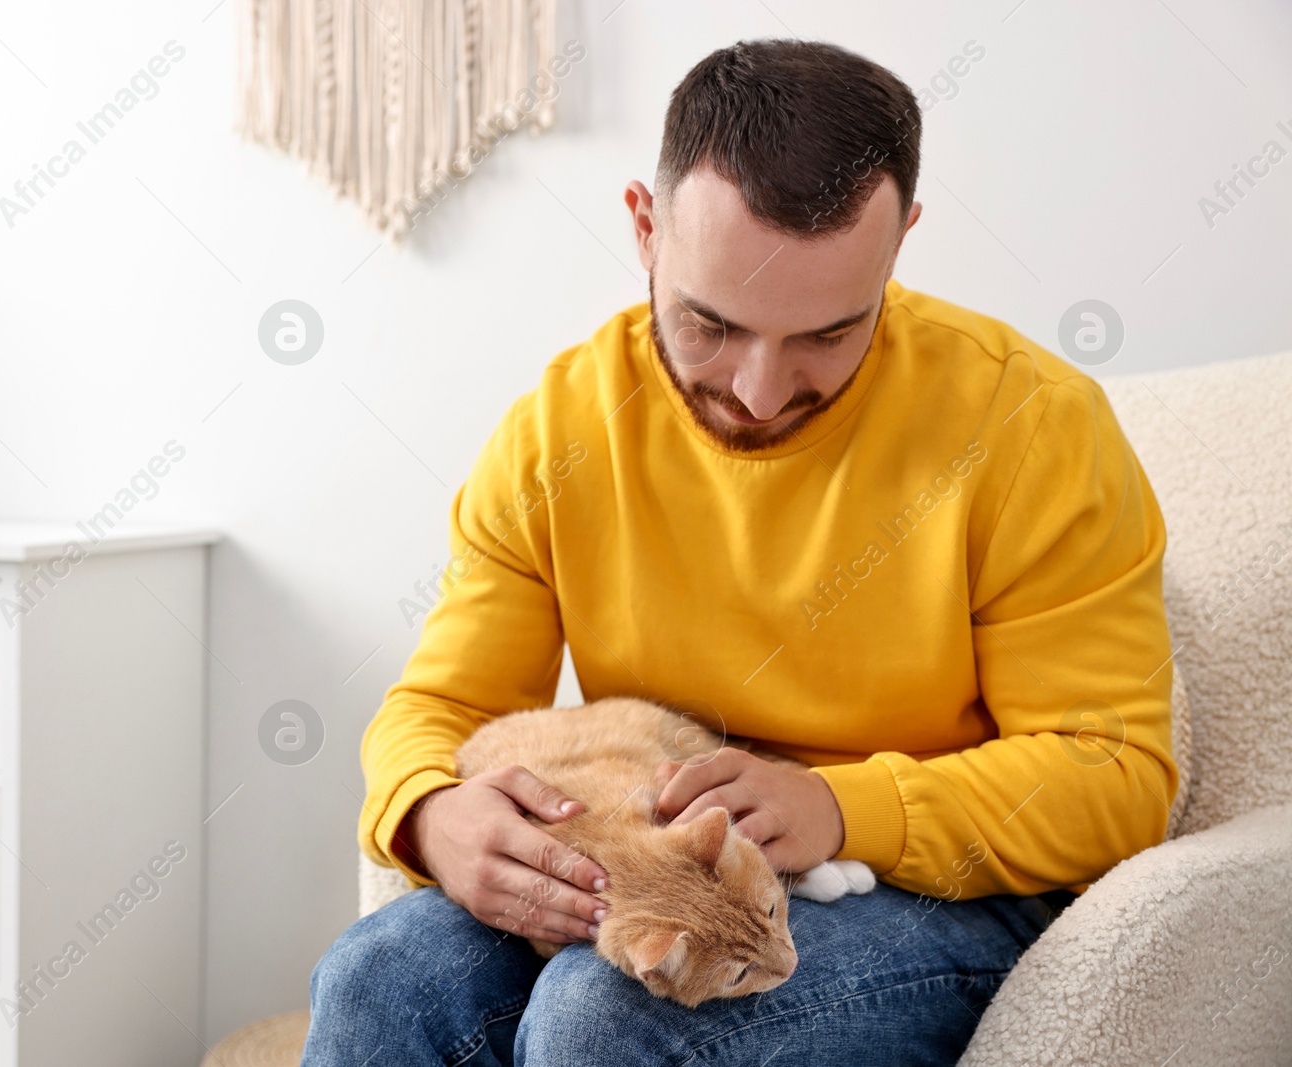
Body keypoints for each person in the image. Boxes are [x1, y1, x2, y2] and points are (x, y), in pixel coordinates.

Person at [304, 37, 1176, 1067]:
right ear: (643, 227)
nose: (760, 392)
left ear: (899, 243)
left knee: (602, 1017)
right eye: (711, 324)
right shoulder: (559, 431)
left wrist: (840, 806)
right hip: (668, 860)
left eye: (824, 335)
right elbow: (438, 709)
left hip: (940, 890)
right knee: (380, 977)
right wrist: (427, 810)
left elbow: (1114, 774)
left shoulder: (1032, 426)